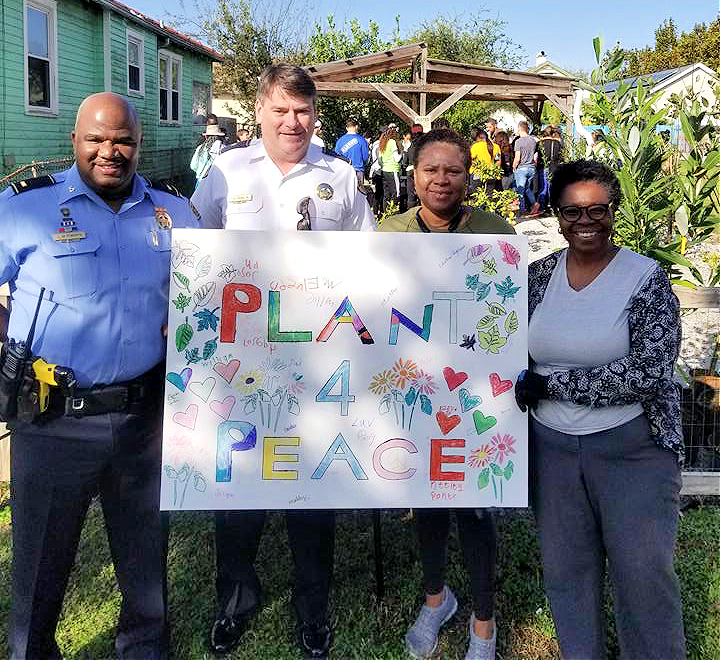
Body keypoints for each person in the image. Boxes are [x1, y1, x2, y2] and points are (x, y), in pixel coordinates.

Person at [0, 91, 200, 660]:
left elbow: (204, 292)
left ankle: (143, 647)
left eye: (122, 141)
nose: (110, 151)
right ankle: (31, 650)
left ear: (138, 145)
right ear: (75, 142)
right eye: (97, 139)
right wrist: (11, 334)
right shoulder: (23, 209)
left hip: (144, 414)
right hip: (54, 417)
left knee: (144, 554)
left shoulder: (174, 212)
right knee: (40, 556)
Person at [191, 63, 375, 659]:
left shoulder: (341, 177)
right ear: (259, 110)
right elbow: (196, 251)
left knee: (312, 491)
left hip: (317, 361)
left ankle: (312, 610)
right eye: (280, 110)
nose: (292, 122)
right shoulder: (224, 173)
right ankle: (235, 600)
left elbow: (369, 262)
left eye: (302, 111)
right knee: (239, 486)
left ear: (314, 114)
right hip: (238, 363)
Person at [515, 159, 686, 660]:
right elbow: (503, 350)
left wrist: (552, 383)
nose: (584, 221)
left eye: (596, 209)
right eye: (572, 211)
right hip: (552, 450)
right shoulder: (537, 277)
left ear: (614, 211)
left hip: (631, 448)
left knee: (643, 574)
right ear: (557, 215)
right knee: (567, 572)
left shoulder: (645, 278)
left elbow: (647, 370)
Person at [380, 129, 514, 659]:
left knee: (477, 509)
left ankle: (484, 620)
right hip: (413, 389)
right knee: (427, 503)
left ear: (468, 175)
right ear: (413, 175)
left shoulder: (496, 231)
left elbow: (509, 310)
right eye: (430, 170)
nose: (441, 180)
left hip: (476, 393)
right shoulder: (388, 231)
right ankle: (437, 599)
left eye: (453, 170)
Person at [512, 120, 540, 216]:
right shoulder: (533, 140)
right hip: (532, 168)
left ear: (519, 129)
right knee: (527, 188)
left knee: (520, 190)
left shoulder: (518, 141)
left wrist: (514, 167)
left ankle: (522, 210)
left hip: (522, 168)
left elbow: (517, 157)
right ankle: (535, 203)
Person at [334, 118, 369, 186]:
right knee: (358, 193)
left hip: (344, 170)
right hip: (358, 169)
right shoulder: (362, 140)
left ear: (346, 128)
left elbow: (336, 156)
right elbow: (365, 157)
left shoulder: (340, 141)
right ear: (356, 127)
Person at [190, 123, 226, 189]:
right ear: (219, 136)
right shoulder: (223, 148)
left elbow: (193, 166)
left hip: (201, 180)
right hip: (217, 181)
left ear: (206, 136)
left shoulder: (200, 148)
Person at [378, 126, 402, 212]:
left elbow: (380, 159)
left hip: (384, 171)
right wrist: (402, 153)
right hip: (393, 170)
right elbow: (397, 159)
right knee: (396, 193)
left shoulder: (382, 142)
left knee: (386, 194)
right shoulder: (392, 142)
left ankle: (385, 213)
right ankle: (394, 212)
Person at [469, 128, 500, 195]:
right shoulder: (496, 147)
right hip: (491, 175)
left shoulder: (475, 147)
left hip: (477, 176)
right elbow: (498, 162)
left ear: (478, 137)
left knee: (478, 198)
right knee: (489, 197)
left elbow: (469, 160)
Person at [405, 123, 424, 208]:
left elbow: (405, 159)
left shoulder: (410, 144)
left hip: (410, 169)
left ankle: (410, 210)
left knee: (410, 192)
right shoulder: (425, 144)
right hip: (421, 169)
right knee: (422, 190)